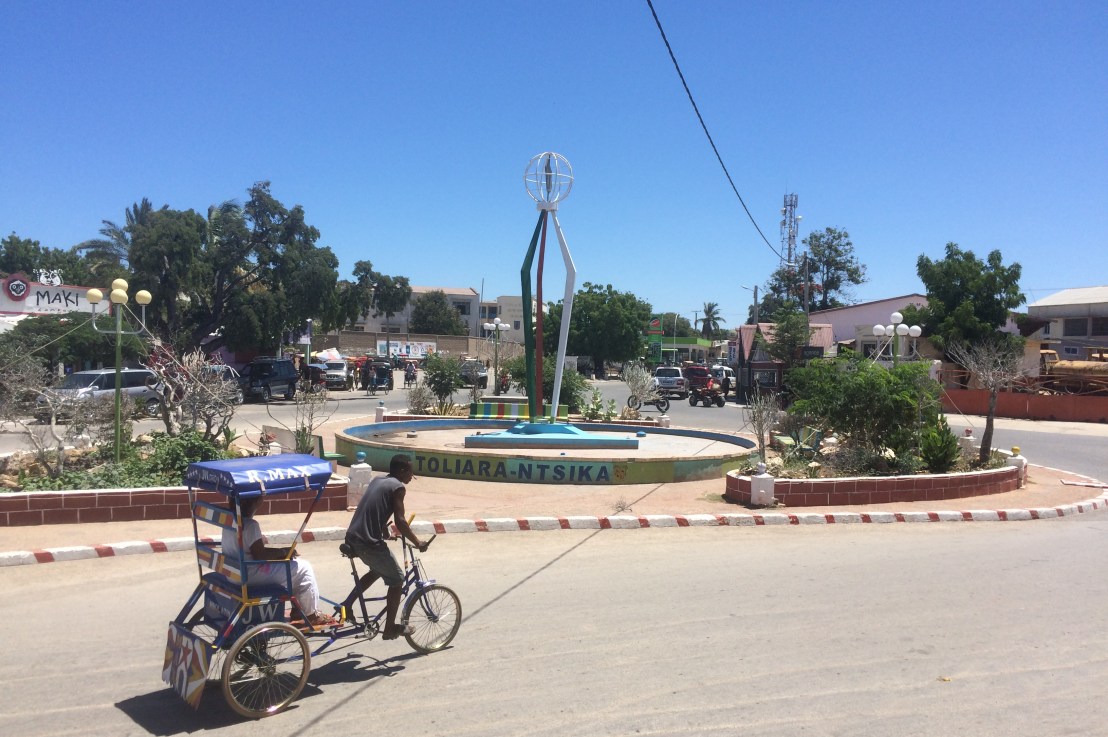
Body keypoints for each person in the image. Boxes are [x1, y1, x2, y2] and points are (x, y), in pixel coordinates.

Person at [340, 454, 428, 639]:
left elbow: (375, 507)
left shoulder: (378, 479)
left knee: (377, 570)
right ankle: (389, 628)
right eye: (410, 472)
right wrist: (417, 542)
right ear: (402, 471)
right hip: (367, 542)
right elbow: (401, 521)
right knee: (397, 579)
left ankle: (346, 605)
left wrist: (384, 532)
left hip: (352, 537)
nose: (411, 476)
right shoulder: (398, 487)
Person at [222, 495, 336, 628]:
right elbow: (260, 555)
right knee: (304, 568)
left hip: (232, 574)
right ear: (254, 502)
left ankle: (298, 610)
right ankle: (311, 615)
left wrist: (283, 553)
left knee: (293, 566)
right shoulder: (250, 525)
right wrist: (284, 552)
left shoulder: (228, 521)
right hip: (249, 575)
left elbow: (254, 551)